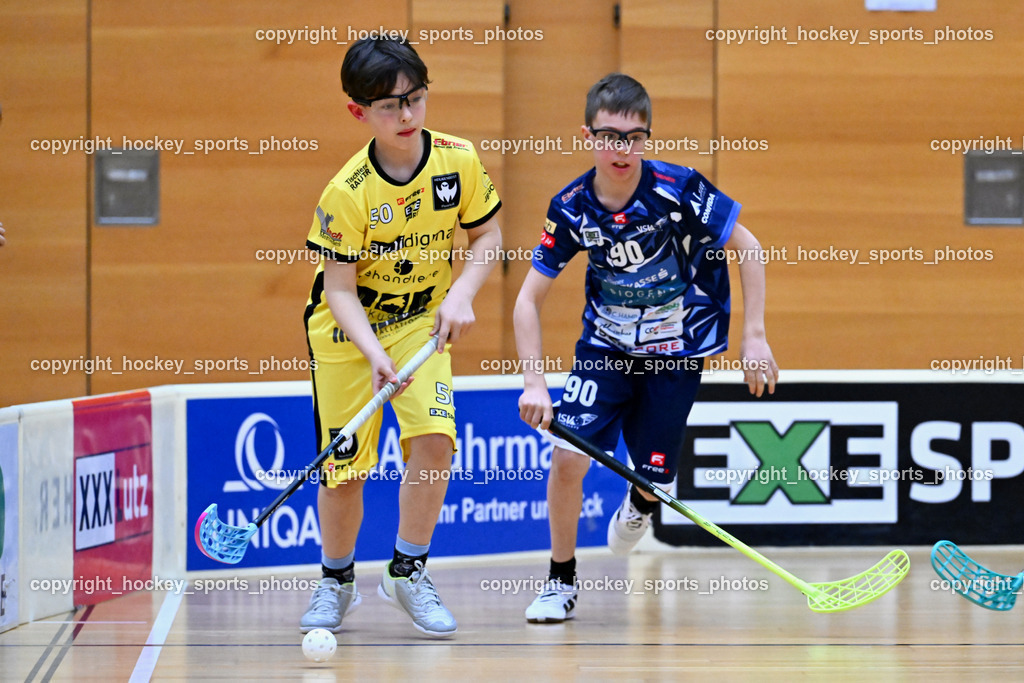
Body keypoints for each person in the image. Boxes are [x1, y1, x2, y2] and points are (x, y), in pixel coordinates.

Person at [514, 73, 779, 623]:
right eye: (610, 136)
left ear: (646, 139)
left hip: (675, 352)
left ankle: (641, 500)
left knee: (654, 477)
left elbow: (748, 247)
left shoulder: (677, 189)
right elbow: (526, 302)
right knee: (567, 460)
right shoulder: (570, 207)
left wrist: (754, 336)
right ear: (588, 135)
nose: (621, 149)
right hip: (604, 349)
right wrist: (534, 382)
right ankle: (560, 581)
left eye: (634, 138)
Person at [300, 37, 502, 638]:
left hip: (421, 322)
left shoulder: (458, 160)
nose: (407, 115)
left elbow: (487, 237)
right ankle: (336, 581)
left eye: (414, 98)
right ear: (357, 112)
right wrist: (374, 356)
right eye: (388, 106)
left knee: (435, 443)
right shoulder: (347, 192)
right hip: (349, 332)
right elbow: (337, 291)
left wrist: (461, 295)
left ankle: (407, 572)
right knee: (344, 472)